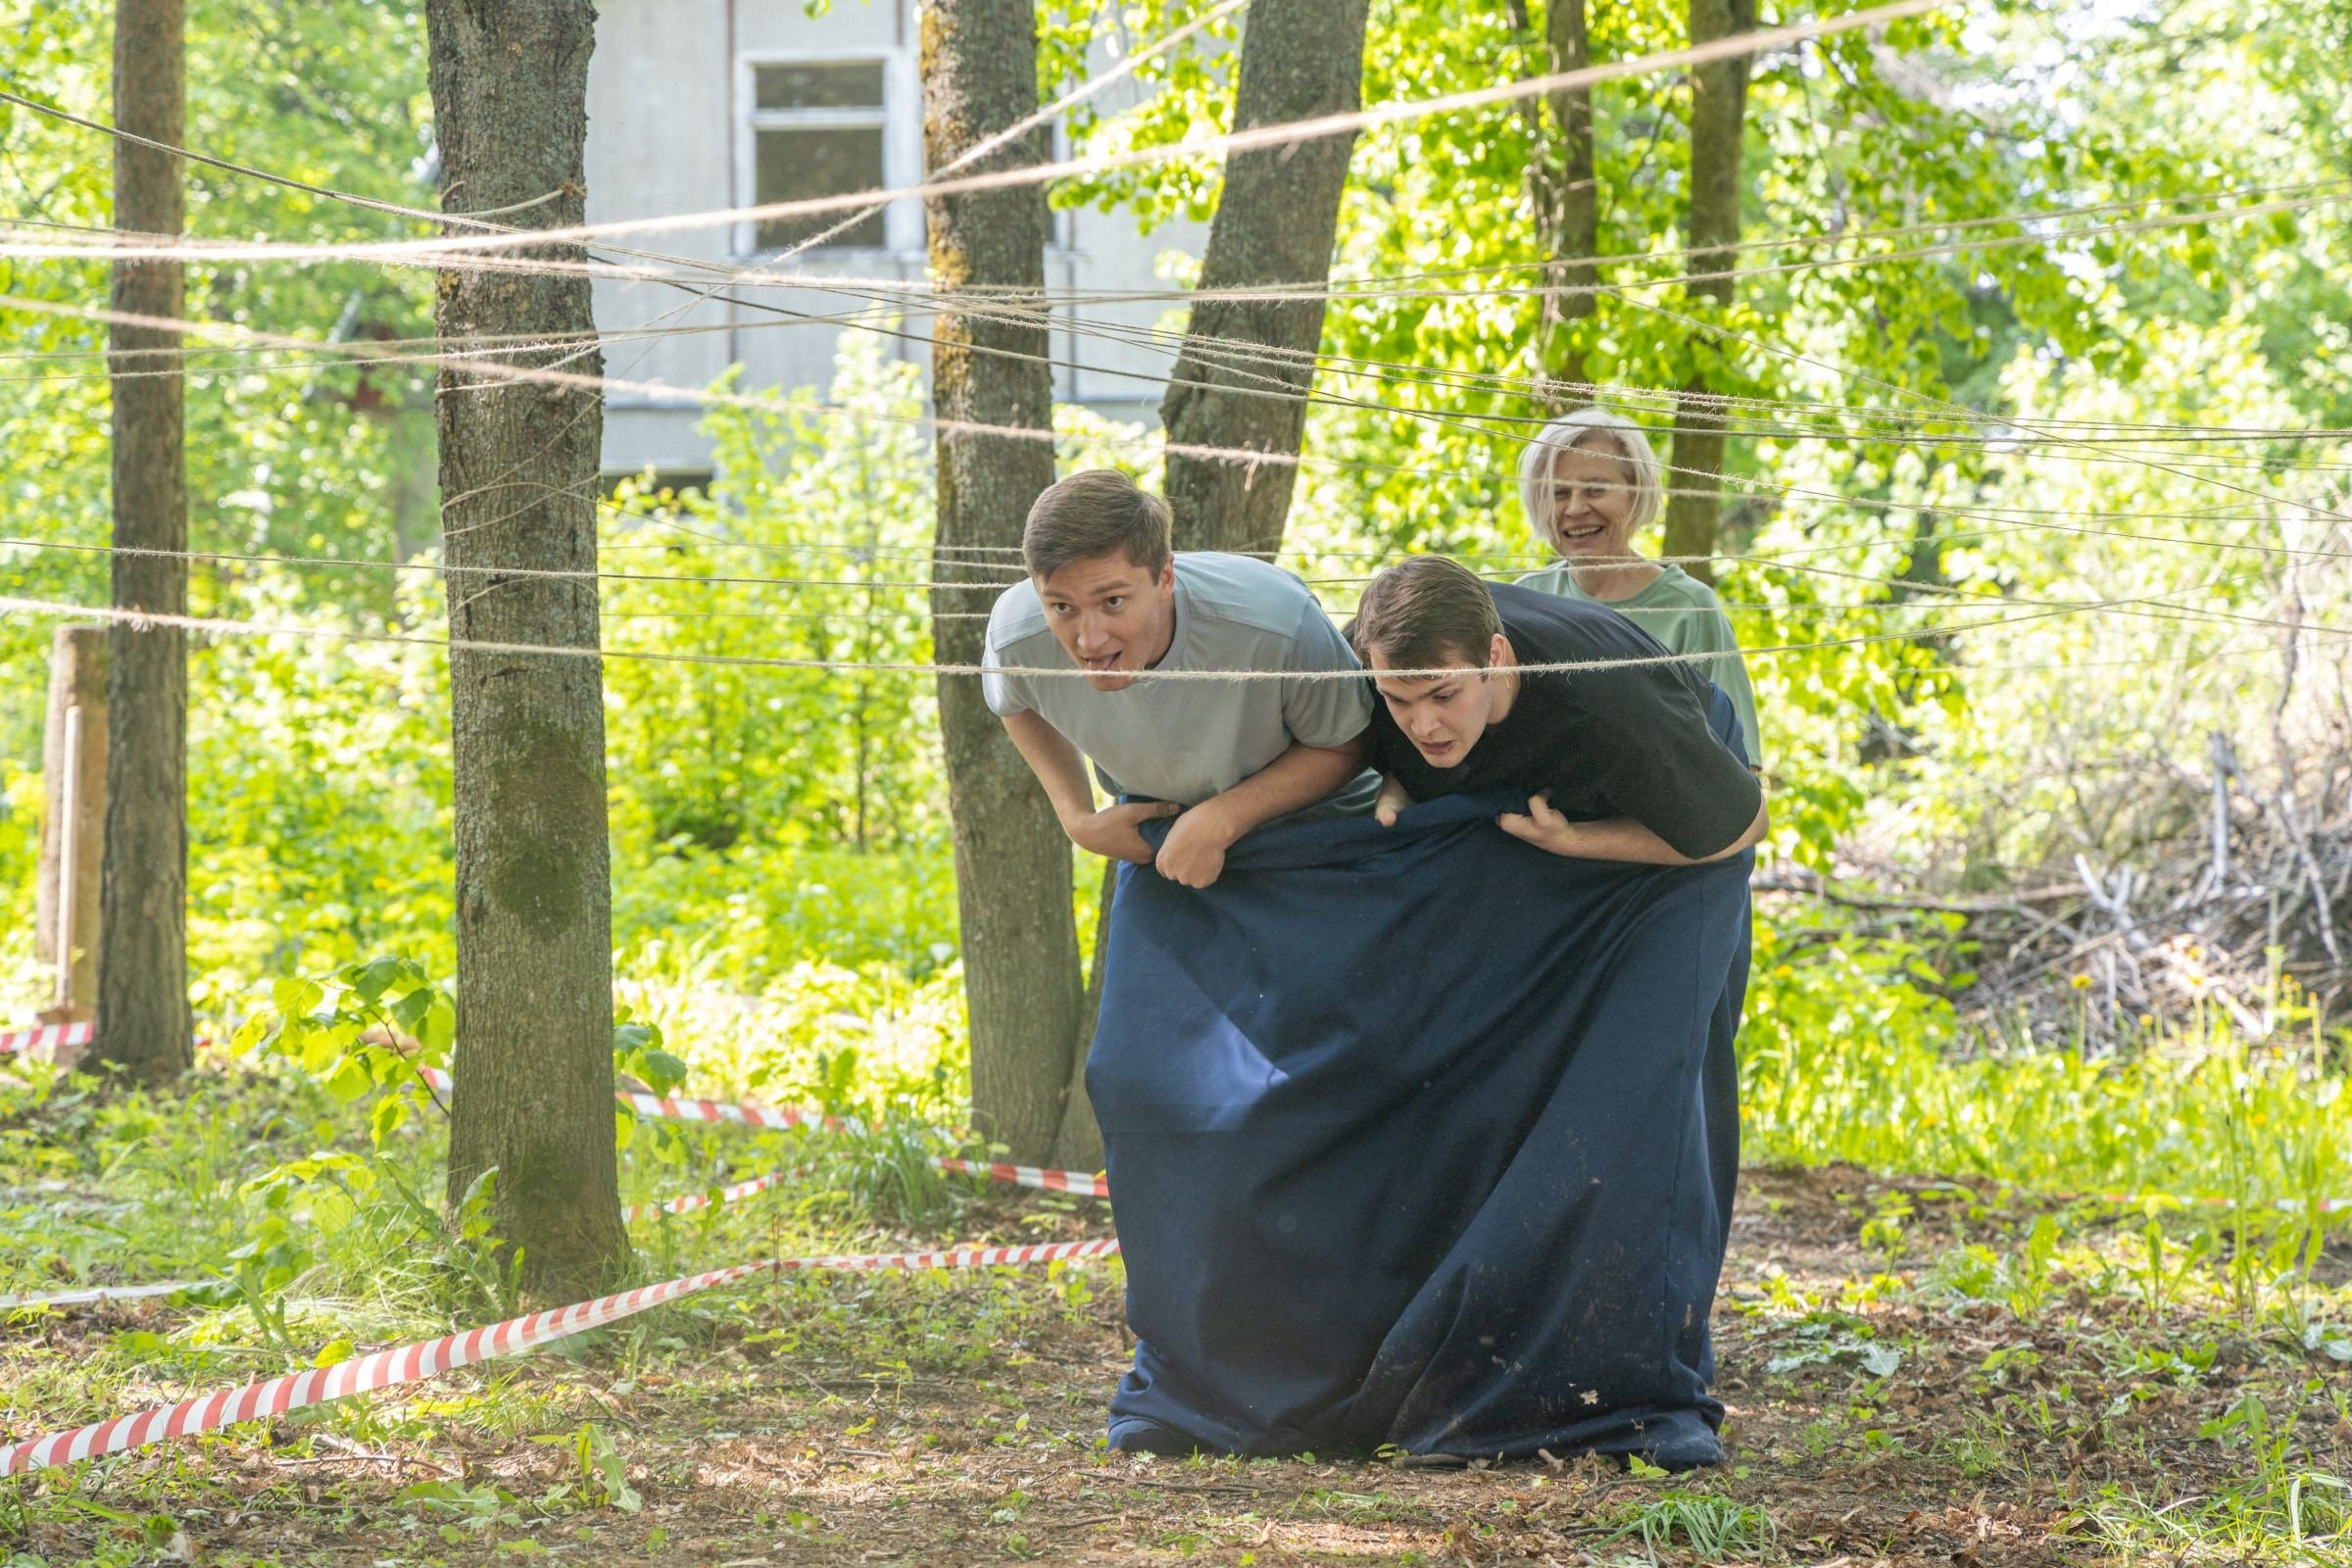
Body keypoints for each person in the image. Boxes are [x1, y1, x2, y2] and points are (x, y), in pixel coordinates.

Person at [982, 468, 1376, 889]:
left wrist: (1223, 818)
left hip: (1322, 828)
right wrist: (1077, 818)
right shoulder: (1015, 635)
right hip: (1161, 834)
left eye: (1113, 601)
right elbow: (1014, 704)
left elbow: (1349, 745)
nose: (1089, 639)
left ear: (1164, 578)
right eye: (1062, 607)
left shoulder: (1277, 623)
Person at [1354, 556, 1764, 863]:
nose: (1423, 726)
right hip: (1538, 807)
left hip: (1686, 778)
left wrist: (1575, 841)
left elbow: (1747, 826)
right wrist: (1402, 776)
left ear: (1493, 656)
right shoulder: (1371, 652)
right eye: (1397, 700)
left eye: (1444, 696)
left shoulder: (1614, 710)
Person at [1514, 407, 1764, 770]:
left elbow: (1742, 765)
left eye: (1595, 489)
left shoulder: (1690, 607)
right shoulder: (1525, 601)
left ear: (1635, 493)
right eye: (1558, 493)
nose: (1575, 508)